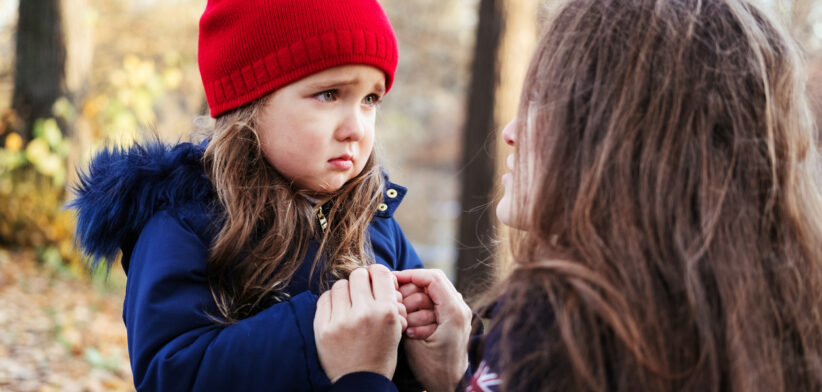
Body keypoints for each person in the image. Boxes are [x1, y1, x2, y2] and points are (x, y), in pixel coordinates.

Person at [315, 0, 822, 391]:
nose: (511, 130)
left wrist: (362, 375)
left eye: (544, 101)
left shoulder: (566, 328)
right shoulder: (772, 324)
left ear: (623, 139)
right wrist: (458, 374)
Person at [69, 0, 425, 390]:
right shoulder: (185, 226)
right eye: (328, 94)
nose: (356, 128)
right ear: (249, 101)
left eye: (370, 100)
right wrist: (315, 336)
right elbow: (169, 374)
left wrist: (428, 339)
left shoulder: (375, 221)